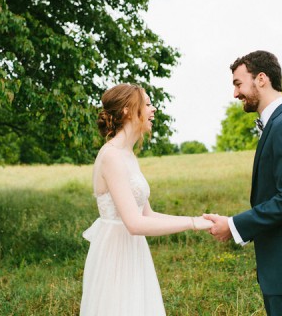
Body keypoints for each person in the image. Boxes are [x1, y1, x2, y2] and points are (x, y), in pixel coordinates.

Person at [204, 50, 282, 316]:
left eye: (238, 83)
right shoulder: (279, 123)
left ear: (261, 79)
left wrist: (234, 225)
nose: (235, 94)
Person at [80, 83, 213, 316]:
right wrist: (191, 223)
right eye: (148, 104)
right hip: (116, 255)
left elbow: (147, 215)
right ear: (127, 111)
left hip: (133, 251)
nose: (153, 110)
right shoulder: (111, 155)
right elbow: (135, 224)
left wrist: (195, 219)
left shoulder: (128, 154)